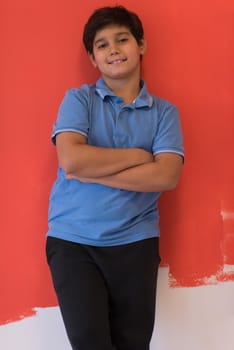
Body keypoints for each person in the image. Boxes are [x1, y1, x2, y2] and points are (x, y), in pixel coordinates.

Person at [46, 5, 184, 350]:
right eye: (102, 45)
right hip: (73, 242)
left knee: (133, 344)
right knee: (89, 343)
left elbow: (167, 175)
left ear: (141, 45)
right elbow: (72, 159)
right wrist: (138, 158)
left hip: (136, 242)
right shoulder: (78, 100)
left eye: (122, 40)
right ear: (93, 58)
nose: (113, 50)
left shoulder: (165, 113)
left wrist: (91, 172)